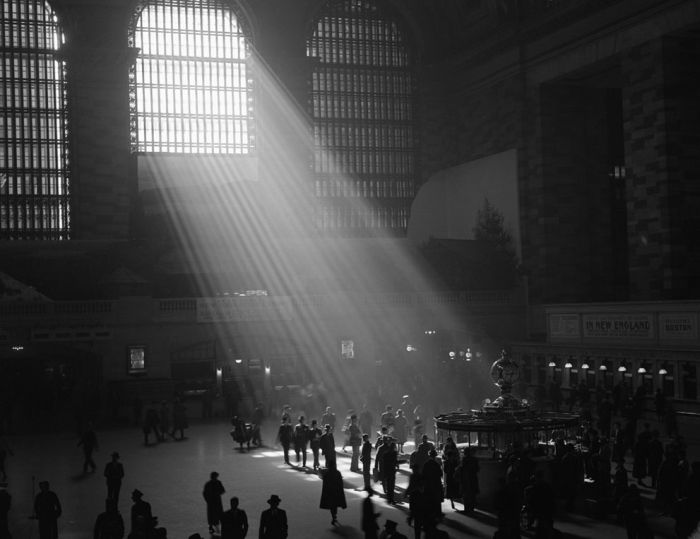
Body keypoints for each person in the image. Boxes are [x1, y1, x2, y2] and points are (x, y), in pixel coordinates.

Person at [320, 461, 347, 526]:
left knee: (332, 505)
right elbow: (340, 483)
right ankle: (334, 516)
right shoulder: (337, 473)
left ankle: (333, 516)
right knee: (335, 505)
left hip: (330, 493)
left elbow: (325, 484)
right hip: (336, 492)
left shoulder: (327, 474)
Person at [456, 447, 480, 513]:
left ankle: (467, 508)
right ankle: (472, 508)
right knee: (472, 494)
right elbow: (477, 469)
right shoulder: (475, 459)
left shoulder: (464, 459)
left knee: (466, 494)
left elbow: (461, 468)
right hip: (473, 478)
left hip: (465, 479)